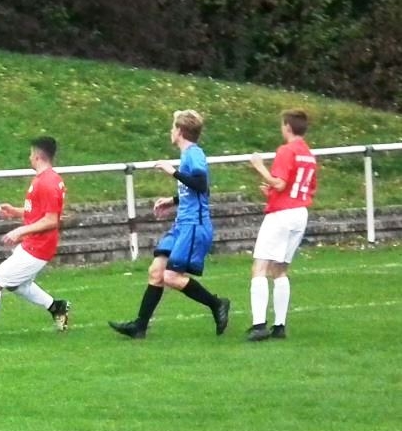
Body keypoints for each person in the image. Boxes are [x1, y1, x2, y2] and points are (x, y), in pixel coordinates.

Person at [109, 110, 230, 339]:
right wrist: (173, 200)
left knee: (171, 277)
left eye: (173, 127)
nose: (171, 131)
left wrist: (172, 172)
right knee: (156, 271)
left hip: (194, 225)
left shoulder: (194, 154)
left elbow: (201, 185)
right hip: (182, 224)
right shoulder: (188, 155)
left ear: (180, 131)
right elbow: (197, 190)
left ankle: (217, 304)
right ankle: (139, 327)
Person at [0, 137, 71, 338]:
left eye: (31, 154)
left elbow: (51, 220)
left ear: (37, 156)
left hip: (38, 246)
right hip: (33, 244)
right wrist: (15, 212)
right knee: (17, 285)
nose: (29, 157)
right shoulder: (44, 179)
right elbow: (39, 213)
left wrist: (20, 231)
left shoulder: (47, 182)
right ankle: (57, 307)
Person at [246, 109, 318, 341]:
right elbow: (302, 187)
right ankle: (279, 326)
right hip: (299, 213)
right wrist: (272, 192)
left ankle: (259, 325)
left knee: (260, 267)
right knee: (280, 269)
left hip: (281, 215)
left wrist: (259, 167)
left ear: (287, 126)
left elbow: (279, 183)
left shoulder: (287, 150)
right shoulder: (308, 154)